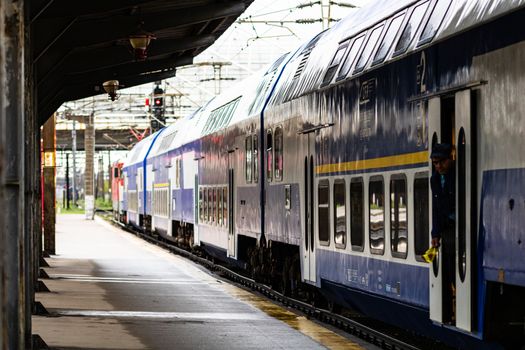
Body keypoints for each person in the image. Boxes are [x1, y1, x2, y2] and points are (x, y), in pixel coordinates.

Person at [430, 143, 455, 323]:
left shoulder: (458, 174)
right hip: (446, 229)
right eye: (435, 163)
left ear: (450, 159)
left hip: (459, 227)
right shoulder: (435, 180)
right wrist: (435, 234)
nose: (438, 167)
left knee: (454, 268)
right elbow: (436, 208)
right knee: (447, 266)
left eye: (441, 162)